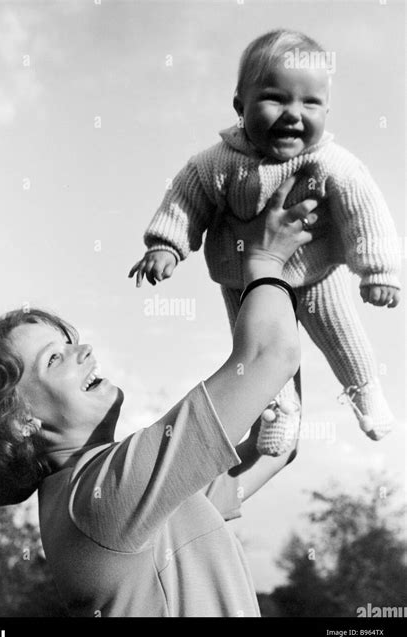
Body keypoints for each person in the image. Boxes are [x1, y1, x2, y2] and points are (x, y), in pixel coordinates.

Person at [0, 176, 316, 616]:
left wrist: (276, 412)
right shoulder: (100, 497)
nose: (84, 350)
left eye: (69, 342)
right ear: (19, 420)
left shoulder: (106, 500)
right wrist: (265, 258)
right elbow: (269, 356)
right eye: (54, 359)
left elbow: (275, 452)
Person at [130, 28, 401, 456]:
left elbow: (365, 212)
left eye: (310, 102)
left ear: (327, 109)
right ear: (241, 105)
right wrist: (165, 244)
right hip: (244, 279)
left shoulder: (330, 162)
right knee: (257, 353)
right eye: (276, 98)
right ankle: (279, 414)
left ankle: (364, 389)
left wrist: (378, 271)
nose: (294, 113)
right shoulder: (216, 162)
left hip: (314, 274)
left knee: (342, 335)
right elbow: (185, 198)